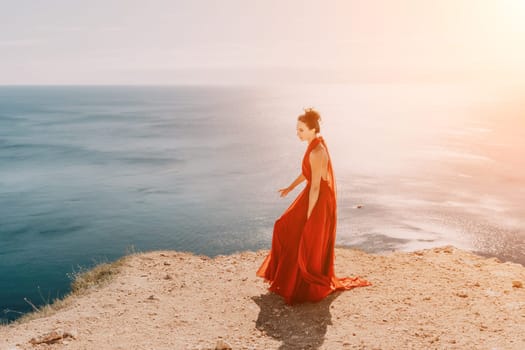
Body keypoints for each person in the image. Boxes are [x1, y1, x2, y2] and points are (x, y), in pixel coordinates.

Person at [256, 108, 371, 305]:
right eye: (297, 129)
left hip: (317, 198)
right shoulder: (312, 146)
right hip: (311, 193)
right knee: (283, 226)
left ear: (311, 129)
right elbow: (308, 173)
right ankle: (287, 279)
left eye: (301, 130)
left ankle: (302, 283)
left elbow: (317, 185)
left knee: (302, 234)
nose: (297, 133)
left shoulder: (317, 151)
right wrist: (290, 187)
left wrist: (309, 215)